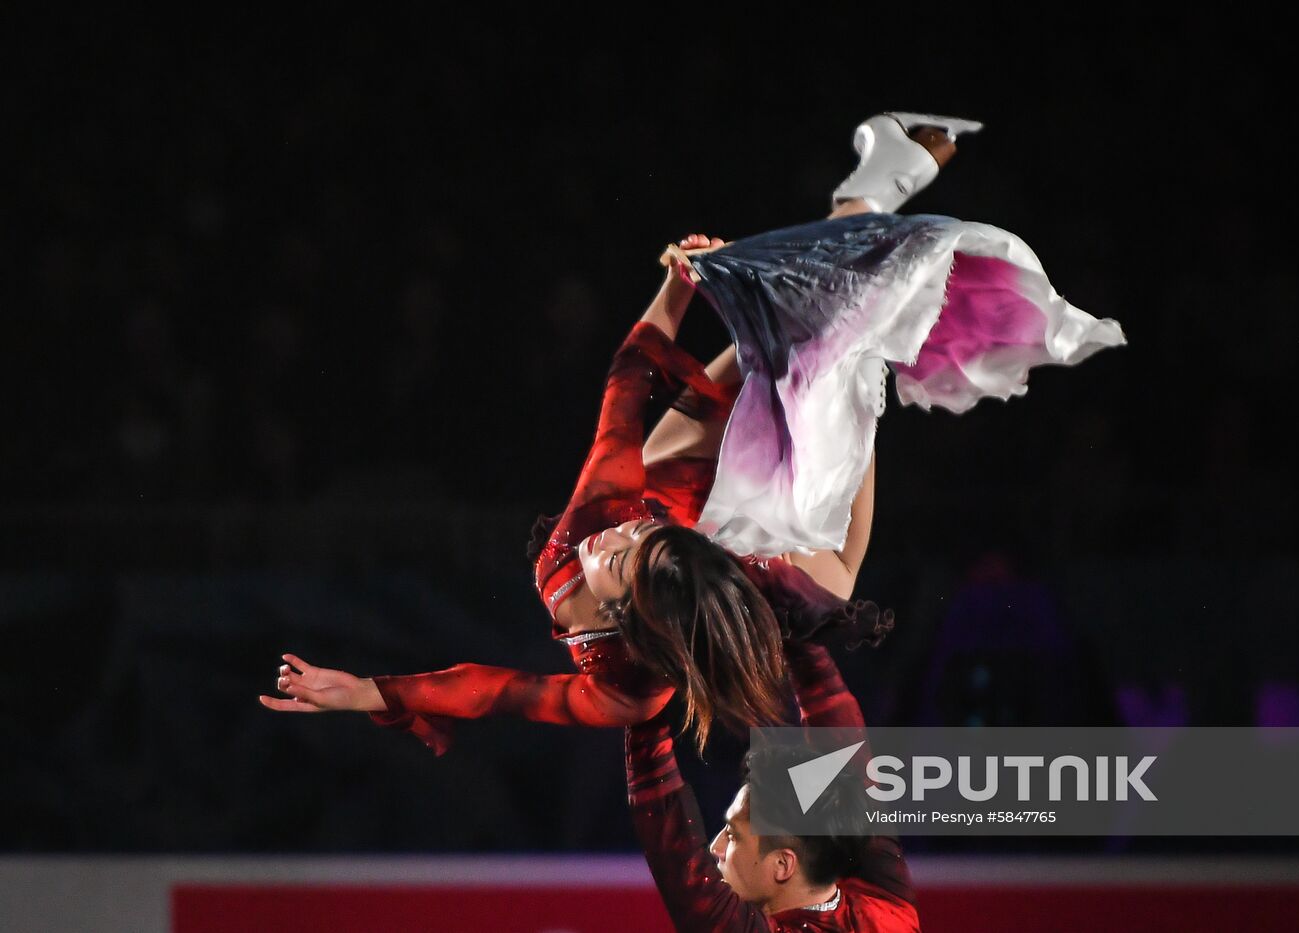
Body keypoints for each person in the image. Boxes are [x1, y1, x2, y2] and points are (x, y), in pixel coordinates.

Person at [259, 111, 1125, 755]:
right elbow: (505, 694)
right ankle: (873, 201)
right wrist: (860, 405)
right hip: (769, 557)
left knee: (787, 327)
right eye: (628, 545)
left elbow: (625, 390)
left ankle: (876, 185)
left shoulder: (587, 535)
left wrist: (680, 281)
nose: (619, 531)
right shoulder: (633, 686)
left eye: (627, 537)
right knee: (845, 356)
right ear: (631, 607)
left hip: (690, 497)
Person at [625, 640, 919, 930]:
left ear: (782, 865)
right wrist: (800, 641)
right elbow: (851, 763)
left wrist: (639, 709)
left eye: (734, 835)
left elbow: (679, 862)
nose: (716, 847)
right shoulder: (889, 914)